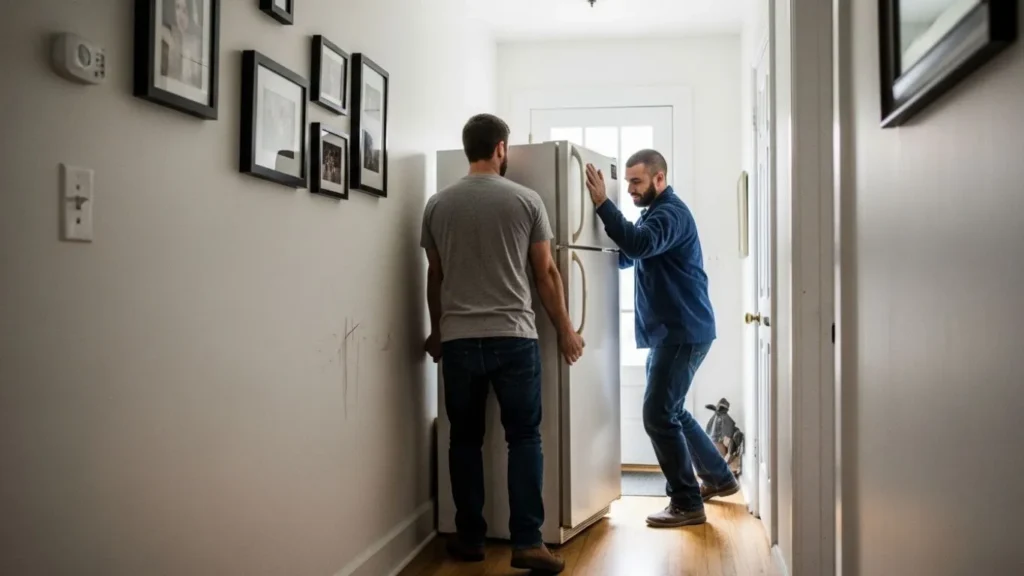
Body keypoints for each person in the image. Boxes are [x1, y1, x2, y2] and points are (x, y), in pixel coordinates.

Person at [421, 113, 584, 573]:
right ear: (500, 148)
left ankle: (470, 538)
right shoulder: (526, 199)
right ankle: (528, 541)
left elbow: (436, 276)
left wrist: (437, 330)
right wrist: (567, 330)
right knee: (524, 438)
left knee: (465, 440)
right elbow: (546, 272)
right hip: (514, 338)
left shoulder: (437, 204)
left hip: (458, 341)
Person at [584, 150, 739, 528]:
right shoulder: (652, 216)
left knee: (657, 415)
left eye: (637, 182)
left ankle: (687, 503)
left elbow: (637, 246)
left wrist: (603, 204)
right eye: (630, 182)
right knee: (674, 410)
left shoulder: (670, 213)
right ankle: (719, 477)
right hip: (673, 332)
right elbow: (629, 254)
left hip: (682, 332)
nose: (632, 190)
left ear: (659, 179)